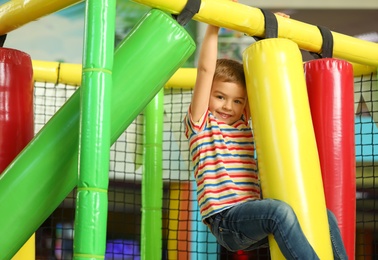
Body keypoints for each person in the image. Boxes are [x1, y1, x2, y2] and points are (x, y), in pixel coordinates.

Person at [183, 12, 348, 260]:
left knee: (324, 216)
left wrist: (269, 34)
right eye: (220, 97)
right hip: (227, 220)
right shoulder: (202, 124)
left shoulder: (244, 124)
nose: (228, 106)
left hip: (254, 217)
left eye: (237, 101)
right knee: (279, 212)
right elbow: (206, 70)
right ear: (207, 96)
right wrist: (214, 24)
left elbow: (262, 77)